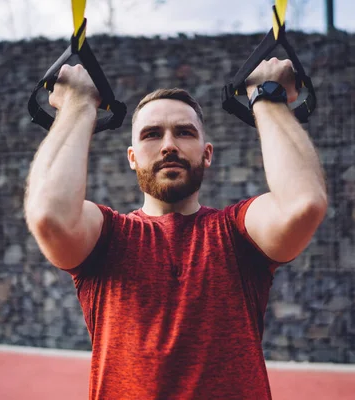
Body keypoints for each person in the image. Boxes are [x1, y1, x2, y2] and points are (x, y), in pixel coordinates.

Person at [24, 57, 328, 400]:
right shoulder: (109, 236)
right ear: (132, 157)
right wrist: (78, 105)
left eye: (184, 132)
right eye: (152, 134)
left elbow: (302, 204)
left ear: (207, 153)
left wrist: (268, 97)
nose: (169, 145)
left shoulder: (236, 233)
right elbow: (49, 214)